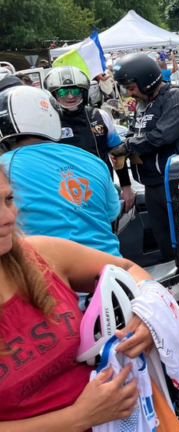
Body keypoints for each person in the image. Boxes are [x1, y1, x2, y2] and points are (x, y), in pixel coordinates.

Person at [0, 171, 157, 429]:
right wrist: (78, 417)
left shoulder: (39, 254)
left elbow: (128, 269)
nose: (8, 217)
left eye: (8, 199)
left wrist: (146, 314)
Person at [0, 84, 122, 257]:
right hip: (113, 271)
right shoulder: (92, 159)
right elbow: (111, 213)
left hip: (52, 276)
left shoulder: (4, 167)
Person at [113, 53, 179, 263]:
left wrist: (127, 146)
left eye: (131, 88)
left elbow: (160, 136)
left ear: (146, 80)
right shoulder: (143, 103)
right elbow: (135, 133)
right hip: (152, 185)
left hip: (177, 183)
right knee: (166, 245)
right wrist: (123, 145)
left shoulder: (174, 95)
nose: (129, 93)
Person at [43, 66, 135, 211]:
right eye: (62, 91)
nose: (70, 96)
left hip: (101, 192)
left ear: (84, 92)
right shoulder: (45, 122)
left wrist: (126, 186)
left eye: (75, 90)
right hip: (63, 198)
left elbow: (118, 152)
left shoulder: (99, 115)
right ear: (53, 94)